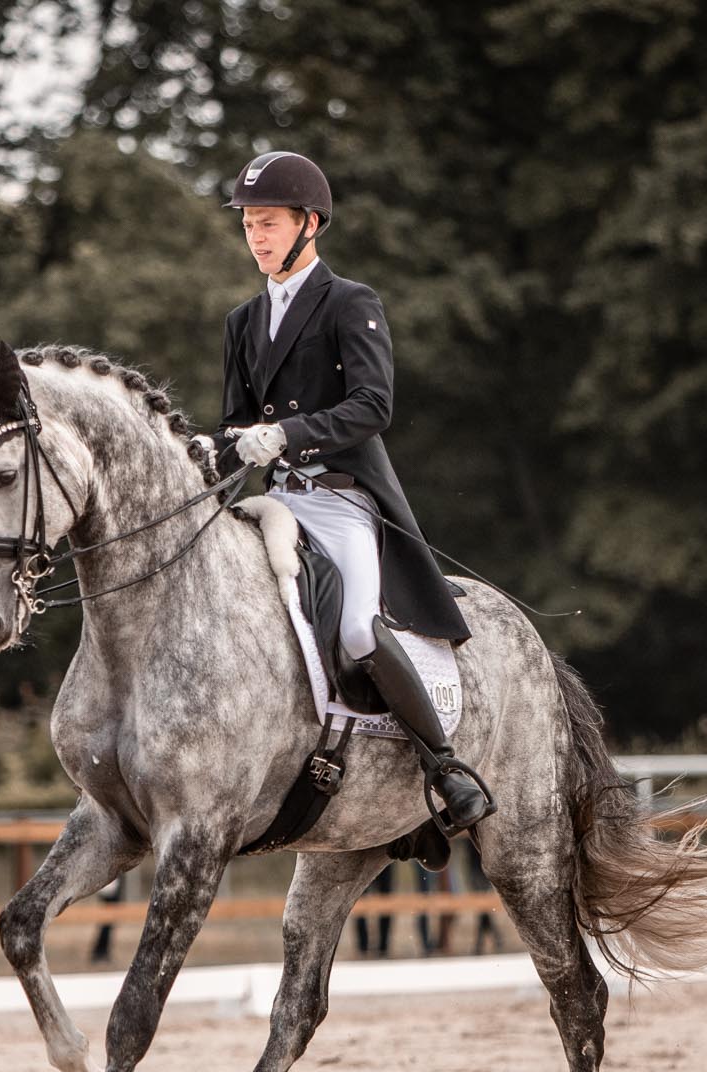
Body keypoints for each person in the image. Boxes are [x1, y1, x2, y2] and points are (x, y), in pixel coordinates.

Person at [205, 150, 493, 836]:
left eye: (269, 223)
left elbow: (374, 405)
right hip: (273, 502)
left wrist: (289, 434)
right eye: (249, 226)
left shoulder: (349, 302)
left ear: (310, 224)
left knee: (360, 625)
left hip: (337, 498)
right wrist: (206, 450)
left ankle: (443, 767)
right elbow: (231, 424)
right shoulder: (242, 322)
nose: (257, 237)